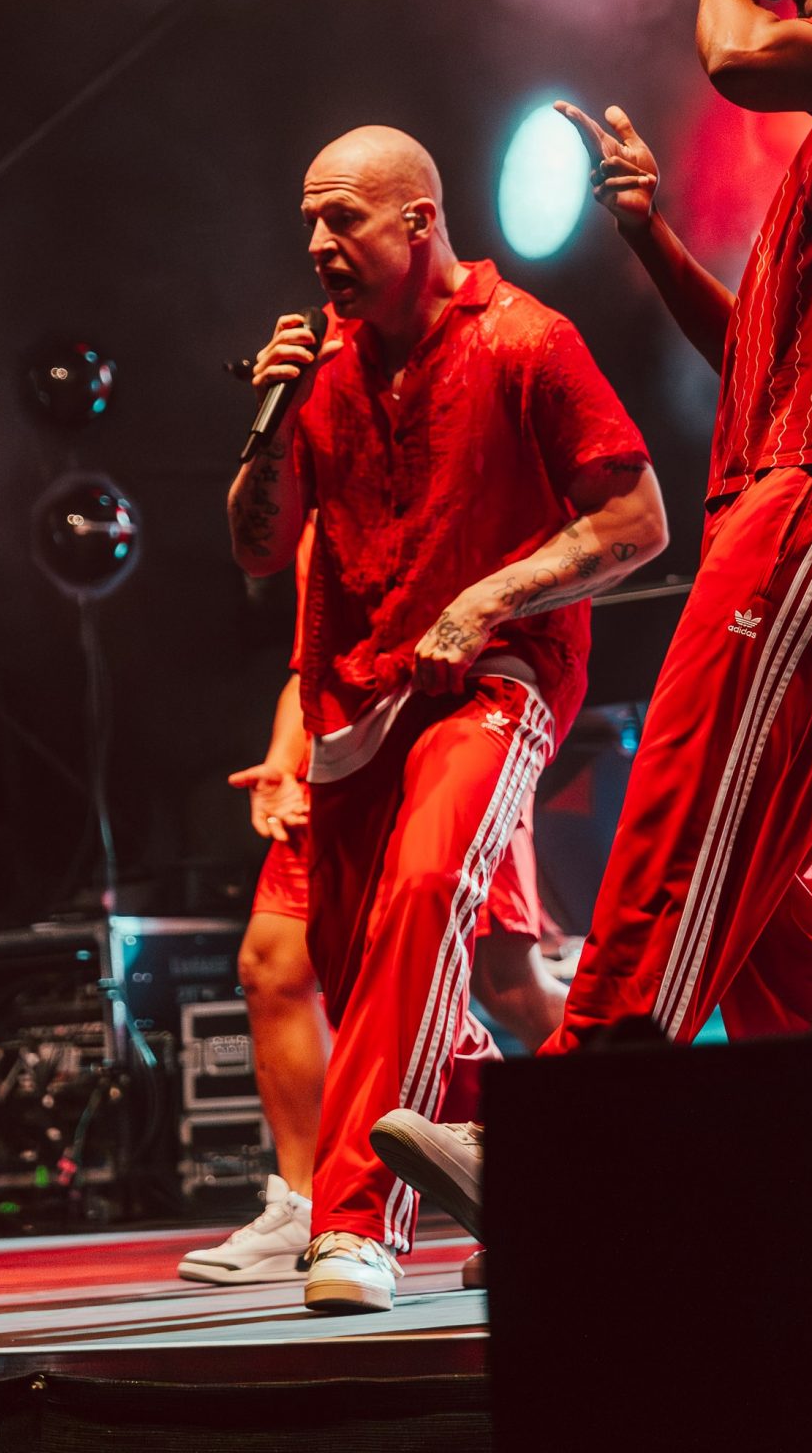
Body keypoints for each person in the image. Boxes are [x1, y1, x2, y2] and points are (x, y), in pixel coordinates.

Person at [371, 0, 812, 1236]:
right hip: (810, 474)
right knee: (756, 865)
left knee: (693, 776)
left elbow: (734, 59)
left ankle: (571, 1124)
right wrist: (649, 233)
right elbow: (755, 359)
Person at [225, 124, 666, 1313]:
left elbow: (636, 522)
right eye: (309, 222)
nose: (317, 244)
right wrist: (269, 419)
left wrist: (488, 600)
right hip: (350, 700)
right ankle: (566, 1172)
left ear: (417, 220)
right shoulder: (319, 366)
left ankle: (354, 1222)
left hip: (494, 677)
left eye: (342, 218)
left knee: (426, 892)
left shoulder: (526, 338)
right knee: (362, 967)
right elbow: (259, 548)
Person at [176, 664, 567, 1285]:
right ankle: (307, 1203)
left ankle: (617, 1138)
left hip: (456, 734)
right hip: (344, 750)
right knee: (272, 964)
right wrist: (283, 762)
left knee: (507, 984)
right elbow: (313, 660)